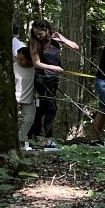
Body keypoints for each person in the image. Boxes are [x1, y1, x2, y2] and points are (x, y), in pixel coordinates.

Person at [28, 20, 80, 150]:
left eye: (40, 33)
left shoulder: (55, 41)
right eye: (35, 33)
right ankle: (48, 139)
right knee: (52, 107)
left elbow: (75, 47)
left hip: (54, 79)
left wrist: (61, 37)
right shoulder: (34, 43)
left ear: (47, 31)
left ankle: (31, 136)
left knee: (42, 109)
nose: (38, 36)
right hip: (41, 78)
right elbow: (37, 63)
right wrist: (53, 67)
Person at [13, 28, 37, 150]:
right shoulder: (14, 67)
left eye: (22, 59)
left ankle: (21, 140)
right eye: (18, 58)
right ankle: (16, 142)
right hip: (15, 99)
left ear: (29, 59)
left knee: (29, 119)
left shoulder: (35, 68)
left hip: (29, 98)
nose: (19, 61)